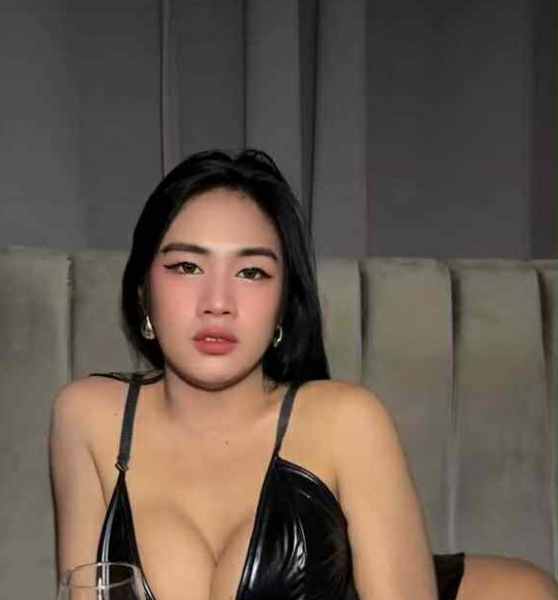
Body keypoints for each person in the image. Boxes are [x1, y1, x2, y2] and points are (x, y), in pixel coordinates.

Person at [49, 149, 557, 600]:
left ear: (282, 308)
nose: (218, 303)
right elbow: (85, 589)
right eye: (187, 267)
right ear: (143, 292)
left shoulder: (347, 421)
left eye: (252, 272)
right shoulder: (88, 417)